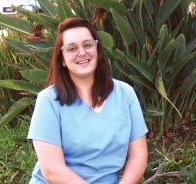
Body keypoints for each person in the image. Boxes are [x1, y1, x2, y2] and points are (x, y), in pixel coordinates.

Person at [27, 17, 148, 184]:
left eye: (88, 45)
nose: (82, 53)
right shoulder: (48, 101)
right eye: (71, 48)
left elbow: (138, 154)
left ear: (97, 50)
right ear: (62, 59)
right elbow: (52, 170)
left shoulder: (125, 94)